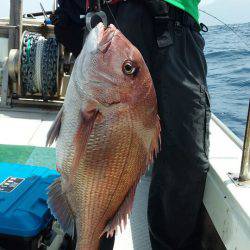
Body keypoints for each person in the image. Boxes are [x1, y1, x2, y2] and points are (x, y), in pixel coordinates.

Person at [52, 0, 211, 249]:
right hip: (117, 15)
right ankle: (82, 237)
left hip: (179, 23)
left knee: (185, 161)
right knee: (98, 156)